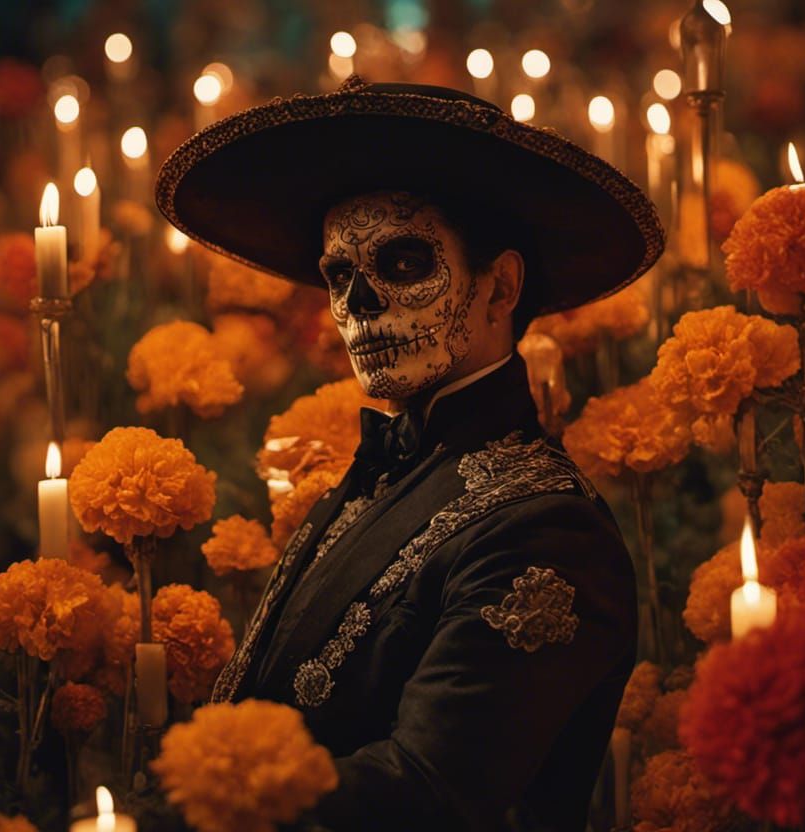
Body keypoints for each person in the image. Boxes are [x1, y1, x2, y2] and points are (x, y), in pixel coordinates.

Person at [155, 76, 664, 831]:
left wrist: (200, 812)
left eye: (402, 265)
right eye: (339, 276)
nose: (359, 306)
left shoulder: (548, 528)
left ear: (501, 289)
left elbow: (429, 791)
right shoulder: (382, 474)